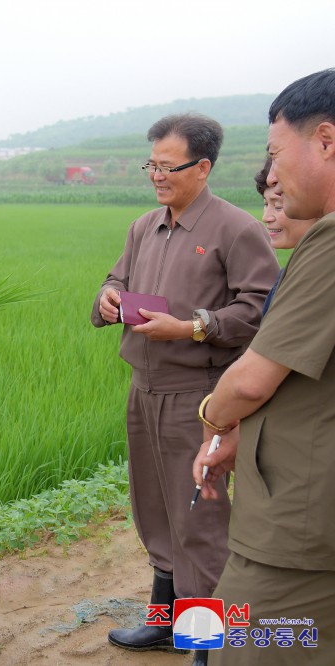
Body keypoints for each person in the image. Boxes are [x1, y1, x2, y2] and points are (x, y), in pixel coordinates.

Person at [90, 114, 279, 665]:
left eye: (167, 166)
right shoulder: (144, 226)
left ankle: (209, 644)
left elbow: (258, 310)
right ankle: (165, 624)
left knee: (199, 519)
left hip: (198, 395)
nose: (156, 175)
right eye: (151, 164)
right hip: (142, 389)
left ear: (202, 167)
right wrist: (107, 299)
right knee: (153, 509)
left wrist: (192, 326)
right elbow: (116, 279)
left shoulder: (236, 229)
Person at [193, 68, 335, 666]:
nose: (271, 177)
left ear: (325, 141)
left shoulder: (327, 244)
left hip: (298, 528)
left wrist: (214, 418)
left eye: (277, 156)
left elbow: (252, 379)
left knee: (243, 644)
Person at [253, 156, 317, 314]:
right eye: (266, 204)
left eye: (278, 206)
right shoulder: (296, 269)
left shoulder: (318, 276)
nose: (266, 217)